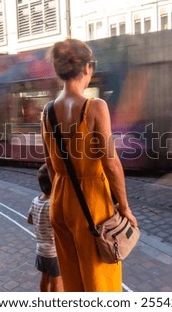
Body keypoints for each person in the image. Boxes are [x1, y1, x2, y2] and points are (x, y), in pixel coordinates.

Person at [41, 38, 138, 292]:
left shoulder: (47, 112)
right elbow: (110, 162)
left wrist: (58, 197)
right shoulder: (95, 107)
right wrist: (125, 208)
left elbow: (50, 164)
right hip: (92, 202)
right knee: (99, 280)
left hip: (60, 202)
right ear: (87, 68)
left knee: (73, 279)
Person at [27, 163, 62, 292]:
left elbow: (29, 220)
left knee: (44, 277)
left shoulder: (35, 200)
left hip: (40, 250)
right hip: (53, 252)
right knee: (56, 280)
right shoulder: (54, 205)